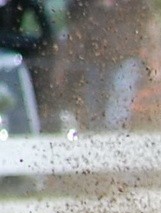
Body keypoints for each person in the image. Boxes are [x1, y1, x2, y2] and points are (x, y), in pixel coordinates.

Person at [53, 0, 149, 130]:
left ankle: (116, 139)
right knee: (94, 110)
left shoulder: (133, 3)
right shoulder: (82, 4)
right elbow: (75, 32)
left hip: (125, 59)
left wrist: (152, 57)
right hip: (94, 62)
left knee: (117, 109)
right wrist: (63, 64)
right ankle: (100, 141)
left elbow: (148, 25)